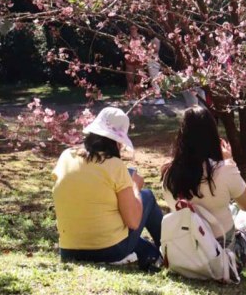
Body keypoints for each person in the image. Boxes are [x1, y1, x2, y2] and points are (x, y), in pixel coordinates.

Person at [161, 106, 246, 279]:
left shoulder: (168, 173)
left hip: (184, 257)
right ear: (212, 135)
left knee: (233, 209)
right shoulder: (223, 170)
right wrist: (230, 162)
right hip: (219, 261)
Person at [52, 107, 163, 270]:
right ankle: (171, 251)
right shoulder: (114, 165)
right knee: (147, 196)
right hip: (109, 251)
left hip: (68, 250)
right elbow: (133, 221)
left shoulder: (66, 156)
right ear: (117, 142)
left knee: (149, 251)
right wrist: (134, 187)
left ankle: (154, 255)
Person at [125, 25, 142, 101]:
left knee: (140, 80)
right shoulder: (127, 38)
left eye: (134, 28)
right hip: (129, 61)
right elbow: (124, 49)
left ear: (137, 29)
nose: (132, 30)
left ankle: (139, 97)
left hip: (139, 61)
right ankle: (130, 97)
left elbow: (145, 48)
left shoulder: (141, 38)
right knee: (130, 80)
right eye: (131, 28)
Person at [147, 37, 165, 105]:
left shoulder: (156, 39)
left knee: (155, 80)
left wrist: (148, 49)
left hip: (154, 61)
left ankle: (159, 98)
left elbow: (156, 49)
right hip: (151, 61)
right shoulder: (152, 39)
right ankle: (156, 97)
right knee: (153, 80)